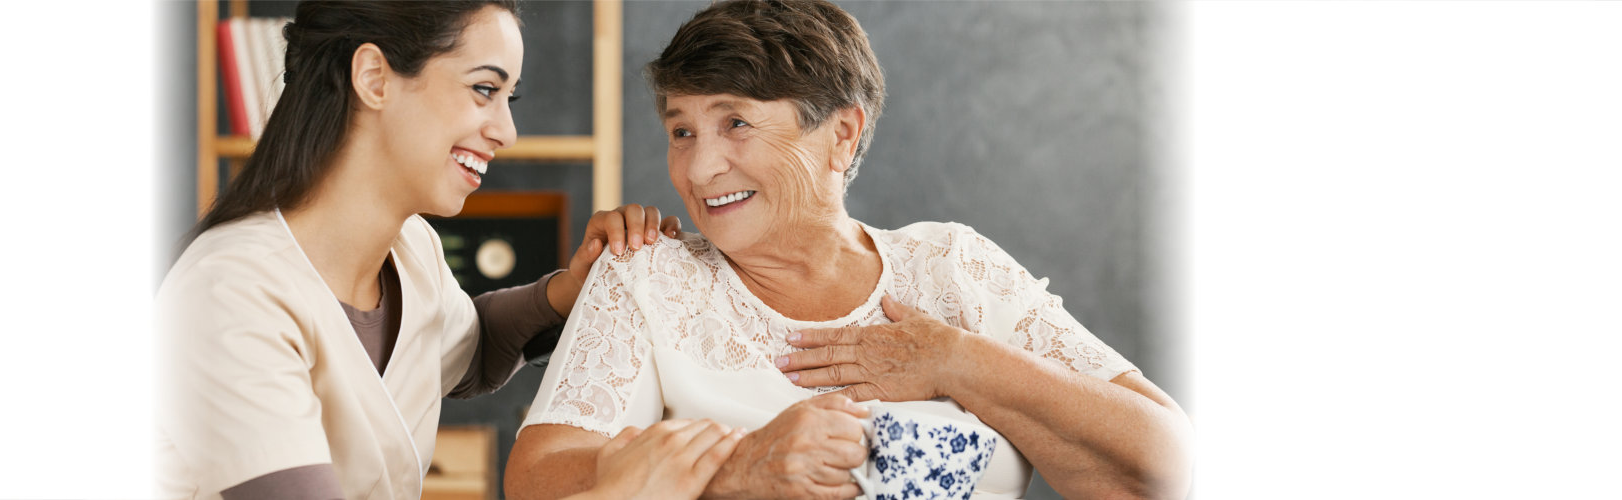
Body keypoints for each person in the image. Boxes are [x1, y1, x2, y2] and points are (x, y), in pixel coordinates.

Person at [505, 1, 1192, 499]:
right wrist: (740, 472)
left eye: (735, 123)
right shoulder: (647, 274)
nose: (698, 168)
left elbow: (1158, 463)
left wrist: (957, 361)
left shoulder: (954, 269)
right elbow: (540, 479)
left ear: (841, 134)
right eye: (681, 131)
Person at [154, 2, 738, 499]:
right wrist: (618, 489)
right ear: (374, 78)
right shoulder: (230, 291)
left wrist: (572, 288)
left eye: (509, 96)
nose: (506, 131)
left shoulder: (411, 249)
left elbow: (467, 349)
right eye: (484, 89)